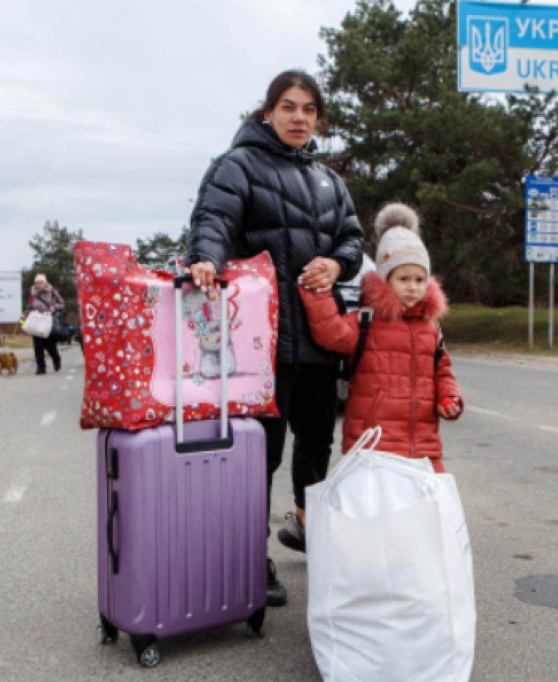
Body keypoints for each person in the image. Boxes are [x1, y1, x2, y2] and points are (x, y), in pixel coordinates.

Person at [184, 69, 364, 606]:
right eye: (288, 106)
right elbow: (213, 219)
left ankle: (311, 531)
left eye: (309, 109)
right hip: (258, 343)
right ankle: (250, 557)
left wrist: (336, 263)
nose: (299, 117)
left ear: (318, 119)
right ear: (268, 112)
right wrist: (205, 261)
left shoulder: (329, 181)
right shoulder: (237, 165)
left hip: (317, 337)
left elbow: (352, 238)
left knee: (316, 444)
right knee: (258, 454)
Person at [298, 203, 464, 471]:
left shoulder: (431, 329)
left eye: (420, 279)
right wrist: (317, 292)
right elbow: (332, 333)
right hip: (373, 442)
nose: (413, 287)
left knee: (423, 510)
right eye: (404, 278)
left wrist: (449, 398)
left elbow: (442, 371)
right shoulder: (367, 322)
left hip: (423, 445)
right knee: (376, 511)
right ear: (385, 279)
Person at [27, 274, 64, 375]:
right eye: (37, 283)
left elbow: (62, 304)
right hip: (37, 320)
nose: (39, 285)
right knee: (38, 346)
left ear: (45, 283)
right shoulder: (32, 294)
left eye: (41, 282)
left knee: (50, 345)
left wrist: (54, 308)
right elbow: (29, 305)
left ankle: (56, 358)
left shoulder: (52, 292)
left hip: (48, 320)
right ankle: (41, 367)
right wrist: (26, 315)